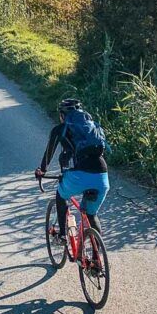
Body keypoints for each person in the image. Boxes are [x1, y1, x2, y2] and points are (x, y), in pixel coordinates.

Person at [35, 98, 110, 241]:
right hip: (102, 176)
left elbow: (48, 154)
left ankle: (63, 235)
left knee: (61, 195)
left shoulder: (60, 129)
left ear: (62, 115)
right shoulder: (92, 128)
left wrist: (42, 171)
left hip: (79, 175)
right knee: (91, 214)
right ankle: (96, 257)